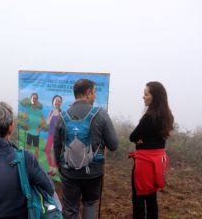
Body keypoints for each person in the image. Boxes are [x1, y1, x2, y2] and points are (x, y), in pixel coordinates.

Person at [54, 79, 119, 219]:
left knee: (70, 209)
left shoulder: (62, 117)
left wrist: (62, 168)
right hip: (93, 173)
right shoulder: (101, 114)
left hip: (69, 173)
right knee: (89, 205)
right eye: (94, 92)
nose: (95, 96)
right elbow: (113, 145)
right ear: (88, 93)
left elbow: (57, 147)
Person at [129, 81, 174, 219]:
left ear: (155, 97)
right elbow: (160, 140)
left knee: (138, 199)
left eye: (146, 94)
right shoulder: (167, 116)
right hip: (158, 163)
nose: (143, 97)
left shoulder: (149, 117)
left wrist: (139, 143)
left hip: (145, 164)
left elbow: (133, 136)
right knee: (152, 198)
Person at [45, 95, 62, 177]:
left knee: (56, 152)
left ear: (60, 103)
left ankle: (54, 170)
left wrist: (58, 114)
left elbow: (62, 125)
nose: (57, 102)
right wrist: (53, 114)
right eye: (56, 100)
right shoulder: (51, 112)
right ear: (53, 102)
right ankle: (51, 167)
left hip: (57, 136)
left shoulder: (62, 113)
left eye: (59, 101)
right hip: (50, 134)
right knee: (47, 150)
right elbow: (47, 122)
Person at [24, 93, 46, 159]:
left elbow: (44, 123)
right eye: (33, 98)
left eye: (36, 98)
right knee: (27, 150)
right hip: (29, 133)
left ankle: (37, 166)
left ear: (37, 100)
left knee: (36, 152)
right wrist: (26, 124)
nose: (34, 99)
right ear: (31, 99)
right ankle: (26, 165)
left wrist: (39, 129)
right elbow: (25, 120)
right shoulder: (28, 110)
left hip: (36, 134)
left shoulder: (39, 112)